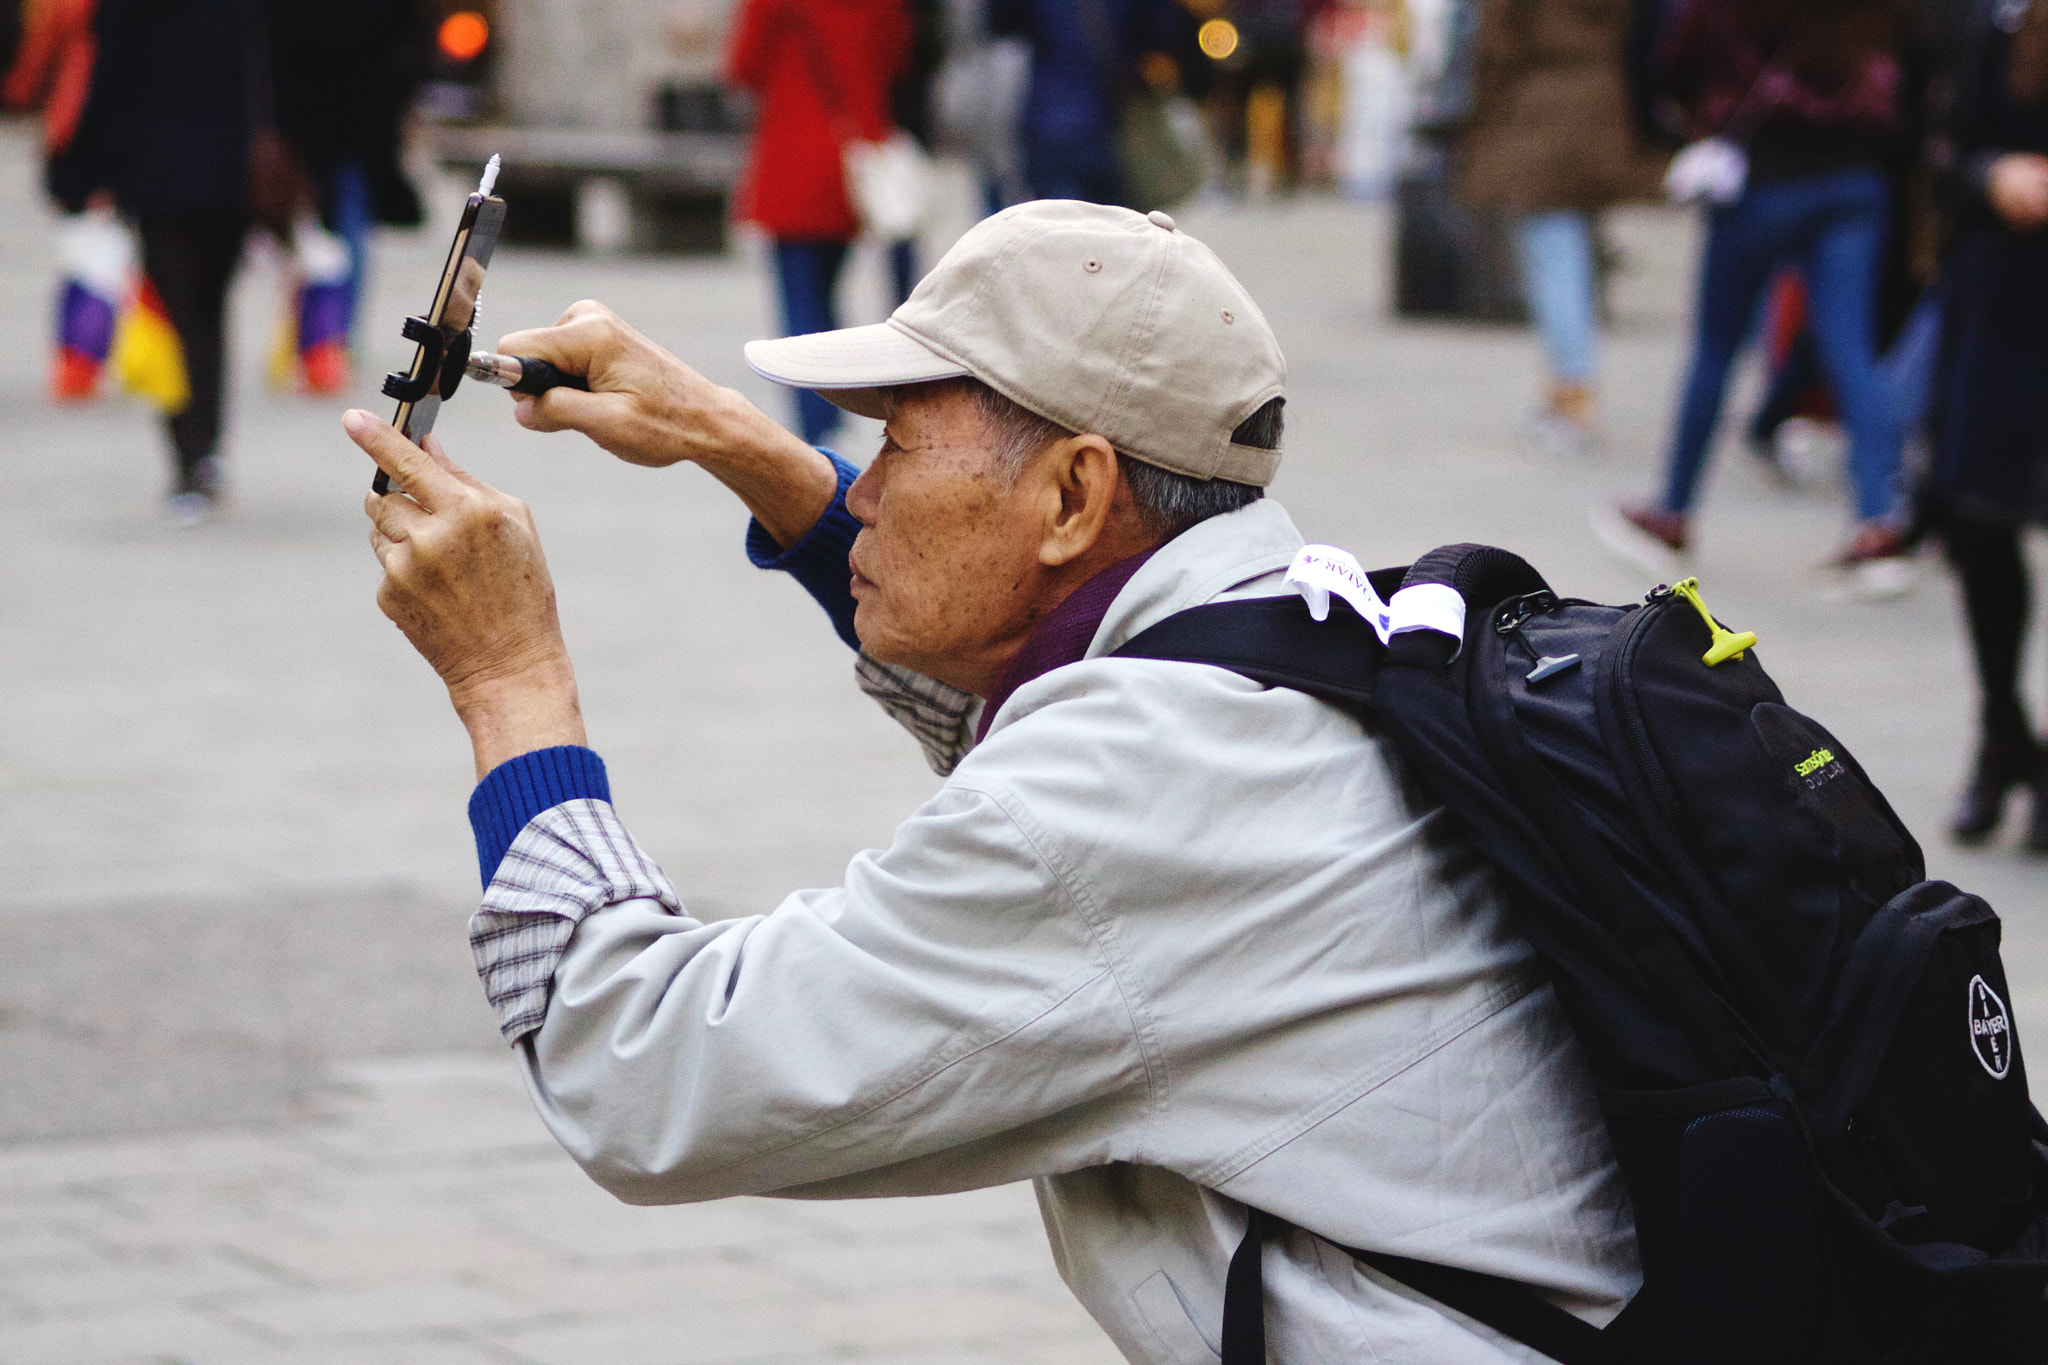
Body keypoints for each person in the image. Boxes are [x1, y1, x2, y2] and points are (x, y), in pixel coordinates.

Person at [345, 200, 1639, 1361]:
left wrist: (508, 677)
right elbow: (1017, 680)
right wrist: (730, 443)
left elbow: (640, 1071)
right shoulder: (1303, 628)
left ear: (1076, 492)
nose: (874, 486)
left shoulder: (1131, 796)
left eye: (900, 443)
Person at [1597, 0, 1916, 591]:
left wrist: (1681, 126)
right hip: (1855, 173)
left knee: (1717, 348)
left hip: (1762, 172)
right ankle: (1879, 525)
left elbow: (1673, 56)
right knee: (1852, 351)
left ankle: (1671, 513)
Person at [70, 0, 300, 523]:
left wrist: (88, 171)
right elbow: (283, 70)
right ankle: (206, 449)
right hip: (230, 174)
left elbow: (109, 79)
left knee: (179, 316)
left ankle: (189, 453)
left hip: (158, 176)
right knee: (209, 312)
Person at [1923, 0, 2048, 850]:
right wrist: (1989, 176)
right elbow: (1938, 150)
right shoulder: (1994, 24)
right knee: (1977, 521)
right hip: (2004, 300)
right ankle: (2004, 733)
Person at [1454, 0, 1669, 453]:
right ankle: (1567, 390)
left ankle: (1572, 395)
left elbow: (1498, 42)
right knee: (1575, 247)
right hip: (1606, 103)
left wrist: (1480, 108)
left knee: (1553, 253)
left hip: (1541, 106)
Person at [727, 0, 914, 448]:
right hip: (853, 156)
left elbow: (743, 65)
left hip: (793, 154)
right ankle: (834, 406)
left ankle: (817, 429)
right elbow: (898, 56)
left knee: (800, 302)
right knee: (827, 295)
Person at [993, 0, 1187, 202]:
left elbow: (1002, 24)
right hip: (1108, 122)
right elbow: (1159, 44)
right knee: (1111, 221)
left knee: (1059, 220)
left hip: (1050, 119)